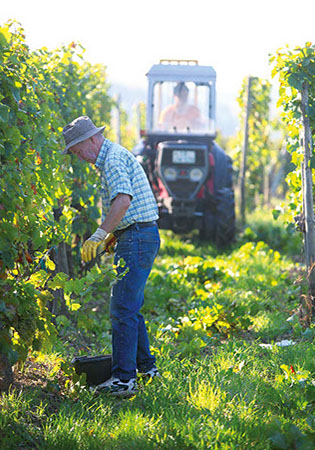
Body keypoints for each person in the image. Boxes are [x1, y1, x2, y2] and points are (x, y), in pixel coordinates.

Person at [62, 116, 160, 397]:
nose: (79, 157)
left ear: (93, 139)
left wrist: (100, 233)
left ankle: (124, 379)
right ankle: (145, 368)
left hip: (138, 238)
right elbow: (131, 207)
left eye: (79, 150)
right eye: (75, 154)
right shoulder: (110, 158)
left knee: (122, 310)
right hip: (136, 235)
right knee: (130, 308)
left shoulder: (113, 159)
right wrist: (114, 235)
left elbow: (123, 201)